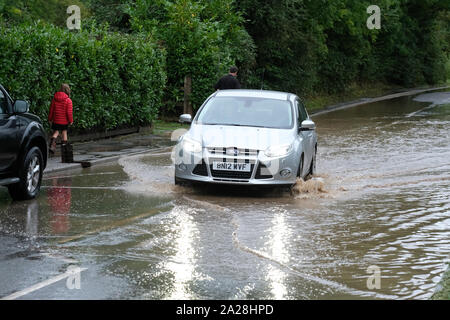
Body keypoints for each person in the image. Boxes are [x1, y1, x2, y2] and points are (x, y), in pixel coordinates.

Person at [48, 84, 73, 154]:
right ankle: (65, 150)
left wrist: (50, 119)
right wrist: (70, 121)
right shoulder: (68, 100)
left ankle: (52, 146)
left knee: (56, 132)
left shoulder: (54, 99)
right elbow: (69, 113)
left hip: (56, 120)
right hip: (64, 121)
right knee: (64, 133)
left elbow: (51, 110)